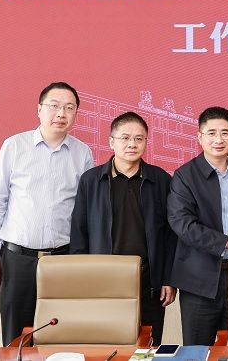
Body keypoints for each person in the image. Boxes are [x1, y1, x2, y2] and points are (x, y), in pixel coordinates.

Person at [0, 82, 93, 345]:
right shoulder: (14, 146)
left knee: (60, 336)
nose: (61, 113)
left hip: (62, 260)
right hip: (18, 259)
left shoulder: (82, 153)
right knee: (16, 339)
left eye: (69, 108)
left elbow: (85, 212)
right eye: (54, 106)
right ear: (39, 110)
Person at [70, 111, 176, 346]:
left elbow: (170, 235)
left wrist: (169, 278)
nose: (132, 144)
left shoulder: (161, 180)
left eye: (139, 139)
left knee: (148, 346)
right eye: (125, 138)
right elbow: (79, 233)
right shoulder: (91, 180)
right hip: (104, 278)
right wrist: (81, 279)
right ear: (111, 142)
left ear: (146, 142)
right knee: (106, 345)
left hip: (149, 279)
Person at [167, 106, 228, 346]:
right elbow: (183, 224)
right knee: (198, 351)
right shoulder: (184, 176)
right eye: (211, 133)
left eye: (225, 133)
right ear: (199, 137)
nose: (218, 140)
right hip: (199, 280)